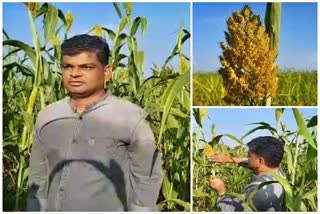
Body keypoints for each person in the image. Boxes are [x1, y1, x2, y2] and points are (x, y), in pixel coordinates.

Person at [27, 34, 163, 211]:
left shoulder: (131, 117)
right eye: (68, 66)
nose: (75, 74)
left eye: (86, 67)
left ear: (106, 72)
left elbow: (147, 179)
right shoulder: (47, 116)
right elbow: (38, 178)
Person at [209, 136, 285, 211]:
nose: (247, 158)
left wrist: (221, 192)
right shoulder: (279, 174)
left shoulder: (258, 190)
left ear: (260, 161)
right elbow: (250, 162)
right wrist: (228, 159)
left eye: (249, 156)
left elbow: (230, 210)